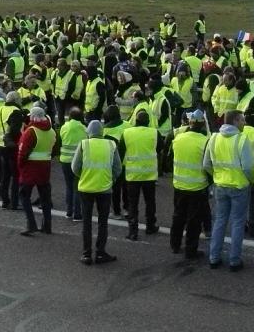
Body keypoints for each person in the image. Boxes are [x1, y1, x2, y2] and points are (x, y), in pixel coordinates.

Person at [204, 109, 254, 271]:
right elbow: (249, 167)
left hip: (220, 185)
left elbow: (206, 164)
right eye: (242, 120)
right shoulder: (242, 140)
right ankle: (234, 260)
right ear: (235, 121)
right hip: (239, 187)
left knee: (220, 221)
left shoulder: (214, 138)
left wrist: (217, 176)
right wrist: (251, 180)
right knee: (237, 222)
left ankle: (214, 257)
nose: (244, 123)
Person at [72, 120, 122, 265]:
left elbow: (75, 167)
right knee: (103, 222)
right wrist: (110, 179)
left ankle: (86, 254)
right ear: (102, 132)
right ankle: (100, 253)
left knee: (86, 222)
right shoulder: (111, 145)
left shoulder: (84, 144)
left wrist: (85, 176)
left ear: (88, 132)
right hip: (105, 189)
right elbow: (118, 168)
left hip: (86, 188)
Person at [168, 109, 210, 259]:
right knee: (194, 221)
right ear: (202, 124)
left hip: (179, 184)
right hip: (197, 187)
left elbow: (170, 159)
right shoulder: (205, 141)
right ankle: (190, 250)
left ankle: (175, 244)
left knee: (178, 216)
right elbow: (208, 165)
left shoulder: (179, 138)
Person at [119, 110, 161, 240]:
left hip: (133, 175)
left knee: (133, 204)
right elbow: (160, 147)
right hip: (149, 174)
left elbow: (120, 152)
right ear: (148, 122)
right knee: (150, 201)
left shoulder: (127, 133)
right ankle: (150, 226)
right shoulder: (154, 132)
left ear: (136, 121)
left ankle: (133, 231)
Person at [17, 106, 57, 236]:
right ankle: (47, 226)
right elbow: (55, 149)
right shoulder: (51, 131)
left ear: (32, 116)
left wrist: (20, 166)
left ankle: (31, 224)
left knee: (24, 196)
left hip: (30, 168)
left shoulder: (31, 131)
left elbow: (22, 153)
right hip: (45, 168)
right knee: (45, 198)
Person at [0, 91, 26, 210]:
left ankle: (4, 200)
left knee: (5, 175)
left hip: (0, 145)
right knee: (16, 176)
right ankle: (15, 202)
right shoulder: (16, 111)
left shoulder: (1, 109)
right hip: (12, 146)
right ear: (15, 100)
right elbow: (15, 130)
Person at [58, 107, 87, 220]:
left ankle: (69, 212)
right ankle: (77, 214)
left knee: (69, 186)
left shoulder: (64, 127)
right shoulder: (84, 129)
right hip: (78, 162)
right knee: (77, 187)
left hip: (65, 160)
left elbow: (60, 142)